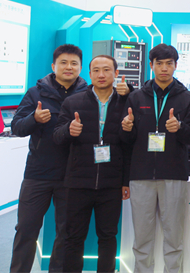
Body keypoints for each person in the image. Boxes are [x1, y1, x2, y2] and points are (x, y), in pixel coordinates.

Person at [10, 44, 88, 273]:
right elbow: (16, 127)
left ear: (80, 67)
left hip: (71, 175)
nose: (68, 67)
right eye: (63, 62)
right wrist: (34, 119)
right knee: (26, 229)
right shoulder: (35, 93)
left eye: (74, 63)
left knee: (66, 233)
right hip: (38, 173)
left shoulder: (88, 95)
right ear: (54, 66)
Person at [120, 44, 190, 273]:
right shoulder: (135, 97)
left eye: (169, 63)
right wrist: (126, 128)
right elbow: (127, 139)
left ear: (175, 65)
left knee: (174, 239)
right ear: (151, 65)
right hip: (141, 175)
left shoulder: (188, 98)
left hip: (174, 175)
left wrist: (180, 127)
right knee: (142, 239)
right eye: (159, 63)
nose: (164, 68)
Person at [53, 55, 133, 273]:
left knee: (108, 237)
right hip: (78, 182)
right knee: (73, 237)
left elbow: (129, 146)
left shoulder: (126, 103)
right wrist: (69, 130)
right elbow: (57, 136)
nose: (101, 74)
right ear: (89, 74)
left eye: (106, 70)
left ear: (116, 74)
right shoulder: (73, 102)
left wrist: (125, 181)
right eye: (96, 70)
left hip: (111, 183)